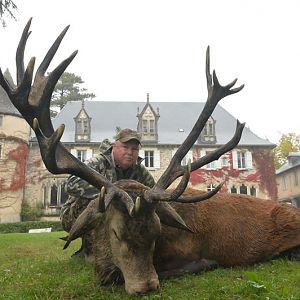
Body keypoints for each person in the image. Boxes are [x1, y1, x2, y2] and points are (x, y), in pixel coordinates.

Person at [60, 128, 155, 259]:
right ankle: (90, 250)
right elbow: (70, 184)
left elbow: (153, 193)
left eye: (134, 149)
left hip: (117, 213)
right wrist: (111, 193)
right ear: (114, 146)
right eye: (125, 147)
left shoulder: (140, 171)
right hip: (74, 215)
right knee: (98, 203)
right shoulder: (97, 162)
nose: (130, 152)